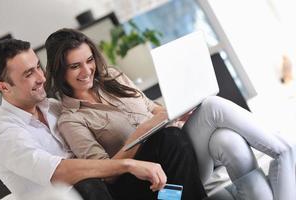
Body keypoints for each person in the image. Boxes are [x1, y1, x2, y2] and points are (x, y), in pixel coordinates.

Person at [45, 28, 296, 200]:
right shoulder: (71, 118)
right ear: (59, 71)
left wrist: (175, 112)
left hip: (179, 152)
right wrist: (145, 130)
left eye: (89, 60)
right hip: (157, 182)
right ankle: (284, 151)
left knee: (226, 140)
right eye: (75, 66)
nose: (87, 70)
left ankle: (283, 154)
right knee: (211, 107)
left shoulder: (113, 77)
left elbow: (154, 109)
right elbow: (106, 172)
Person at [0, 38, 170, 200]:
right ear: (4, 87)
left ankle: (175, 197)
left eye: (38, 67)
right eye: (28, 74)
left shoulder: (53, 106)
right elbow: (60, 173)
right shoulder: (5, 136)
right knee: (86, 182)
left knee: (169, 141)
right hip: (73, 194)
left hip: (103, 191)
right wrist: (129, 164)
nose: (41, 77)